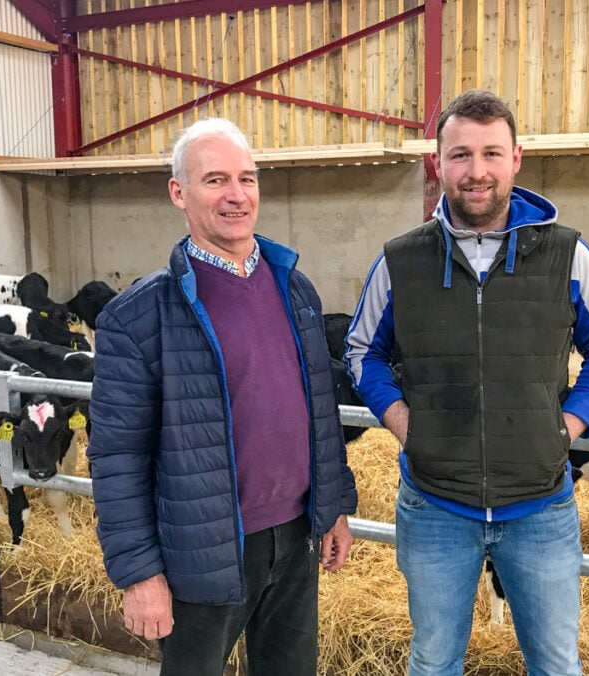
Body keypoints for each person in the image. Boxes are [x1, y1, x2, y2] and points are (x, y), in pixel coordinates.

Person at [345, 90, 589, 675]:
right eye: (460, 155)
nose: (476, 171)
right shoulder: (401, 261)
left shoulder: (566, 254)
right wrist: (405, 425)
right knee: (433, 661)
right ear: (438, 163)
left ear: (516, 158)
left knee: (555, 664)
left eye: (491, 153)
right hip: (435, 504)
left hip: (539, 507)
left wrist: (566, 426)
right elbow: (361, 353)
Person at [87, 117, 357, 676]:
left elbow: (319, 413)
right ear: (178, 193)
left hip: (295, 534)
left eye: (247, 178)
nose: (237, 195)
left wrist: (332, 508)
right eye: (215, 180)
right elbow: (117, 455)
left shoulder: (294, 288)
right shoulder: (138, 317)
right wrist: (139, 574)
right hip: (201, 549)